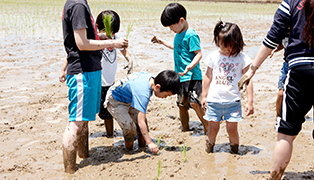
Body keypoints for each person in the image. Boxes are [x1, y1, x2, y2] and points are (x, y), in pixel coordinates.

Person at [238, 0, 314, 179]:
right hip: (300, 69)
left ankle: (275, 176)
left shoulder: (291, 3)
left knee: (286, 134)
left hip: (300, 71)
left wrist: (252, 69)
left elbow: (272, 38)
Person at [61, 0, 128, 174]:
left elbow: (83, 38)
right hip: (83, 71)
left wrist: (101, 38)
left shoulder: (79, 4)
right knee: (76, 122)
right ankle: (69, 171)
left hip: (90, 69)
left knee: (83, 120)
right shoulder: (78, 6)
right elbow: (81, 44)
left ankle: (84, 156)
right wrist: (112, 43)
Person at [151, 3, 208, 134]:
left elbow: (198, 54)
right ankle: (185, 130)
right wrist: (161, 41)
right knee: (182, 105)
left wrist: (189, 67)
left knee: (195, 103)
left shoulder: (191, 35)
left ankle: (207, 126)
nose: (171, 29)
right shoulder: (178, 34)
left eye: (171, 26)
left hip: (193, 76)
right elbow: (175, 47)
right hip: (181, 77)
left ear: (181, 20)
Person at [201, 21, 254, 154]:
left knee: (232, 130)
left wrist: (250, 101)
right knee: (212, 129)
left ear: (238, 43)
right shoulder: (213, 56)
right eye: (223, 46)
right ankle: (209, 151)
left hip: (233, 102)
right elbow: (207, 77)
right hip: (214, 101)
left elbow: (248, 80)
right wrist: (204, 96)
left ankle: (234, 151)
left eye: (230, 46)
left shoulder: (242, 58)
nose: (226, 50)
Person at [104, 70, 180, 154]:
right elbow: (141, 121)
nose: (165, 98)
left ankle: (142, 147)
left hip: (129, 98)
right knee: (130, 128)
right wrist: (150, 143)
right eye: (166, 95)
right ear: (157, 87)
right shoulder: (143, 93)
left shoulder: (151, 79)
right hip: (115, 100)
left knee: (143, 126)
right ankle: (129, 151)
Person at [96, 10, 133, 137]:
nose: (110, 35)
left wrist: (129, 59)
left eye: (112, 33)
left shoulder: (115, 38)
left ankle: (109, 135)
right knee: (91, 111)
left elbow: (124, 50)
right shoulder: (95, 39)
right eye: (106, 32)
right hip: (97, 81)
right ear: (97, 27)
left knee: (108, 111)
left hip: (109, 81)